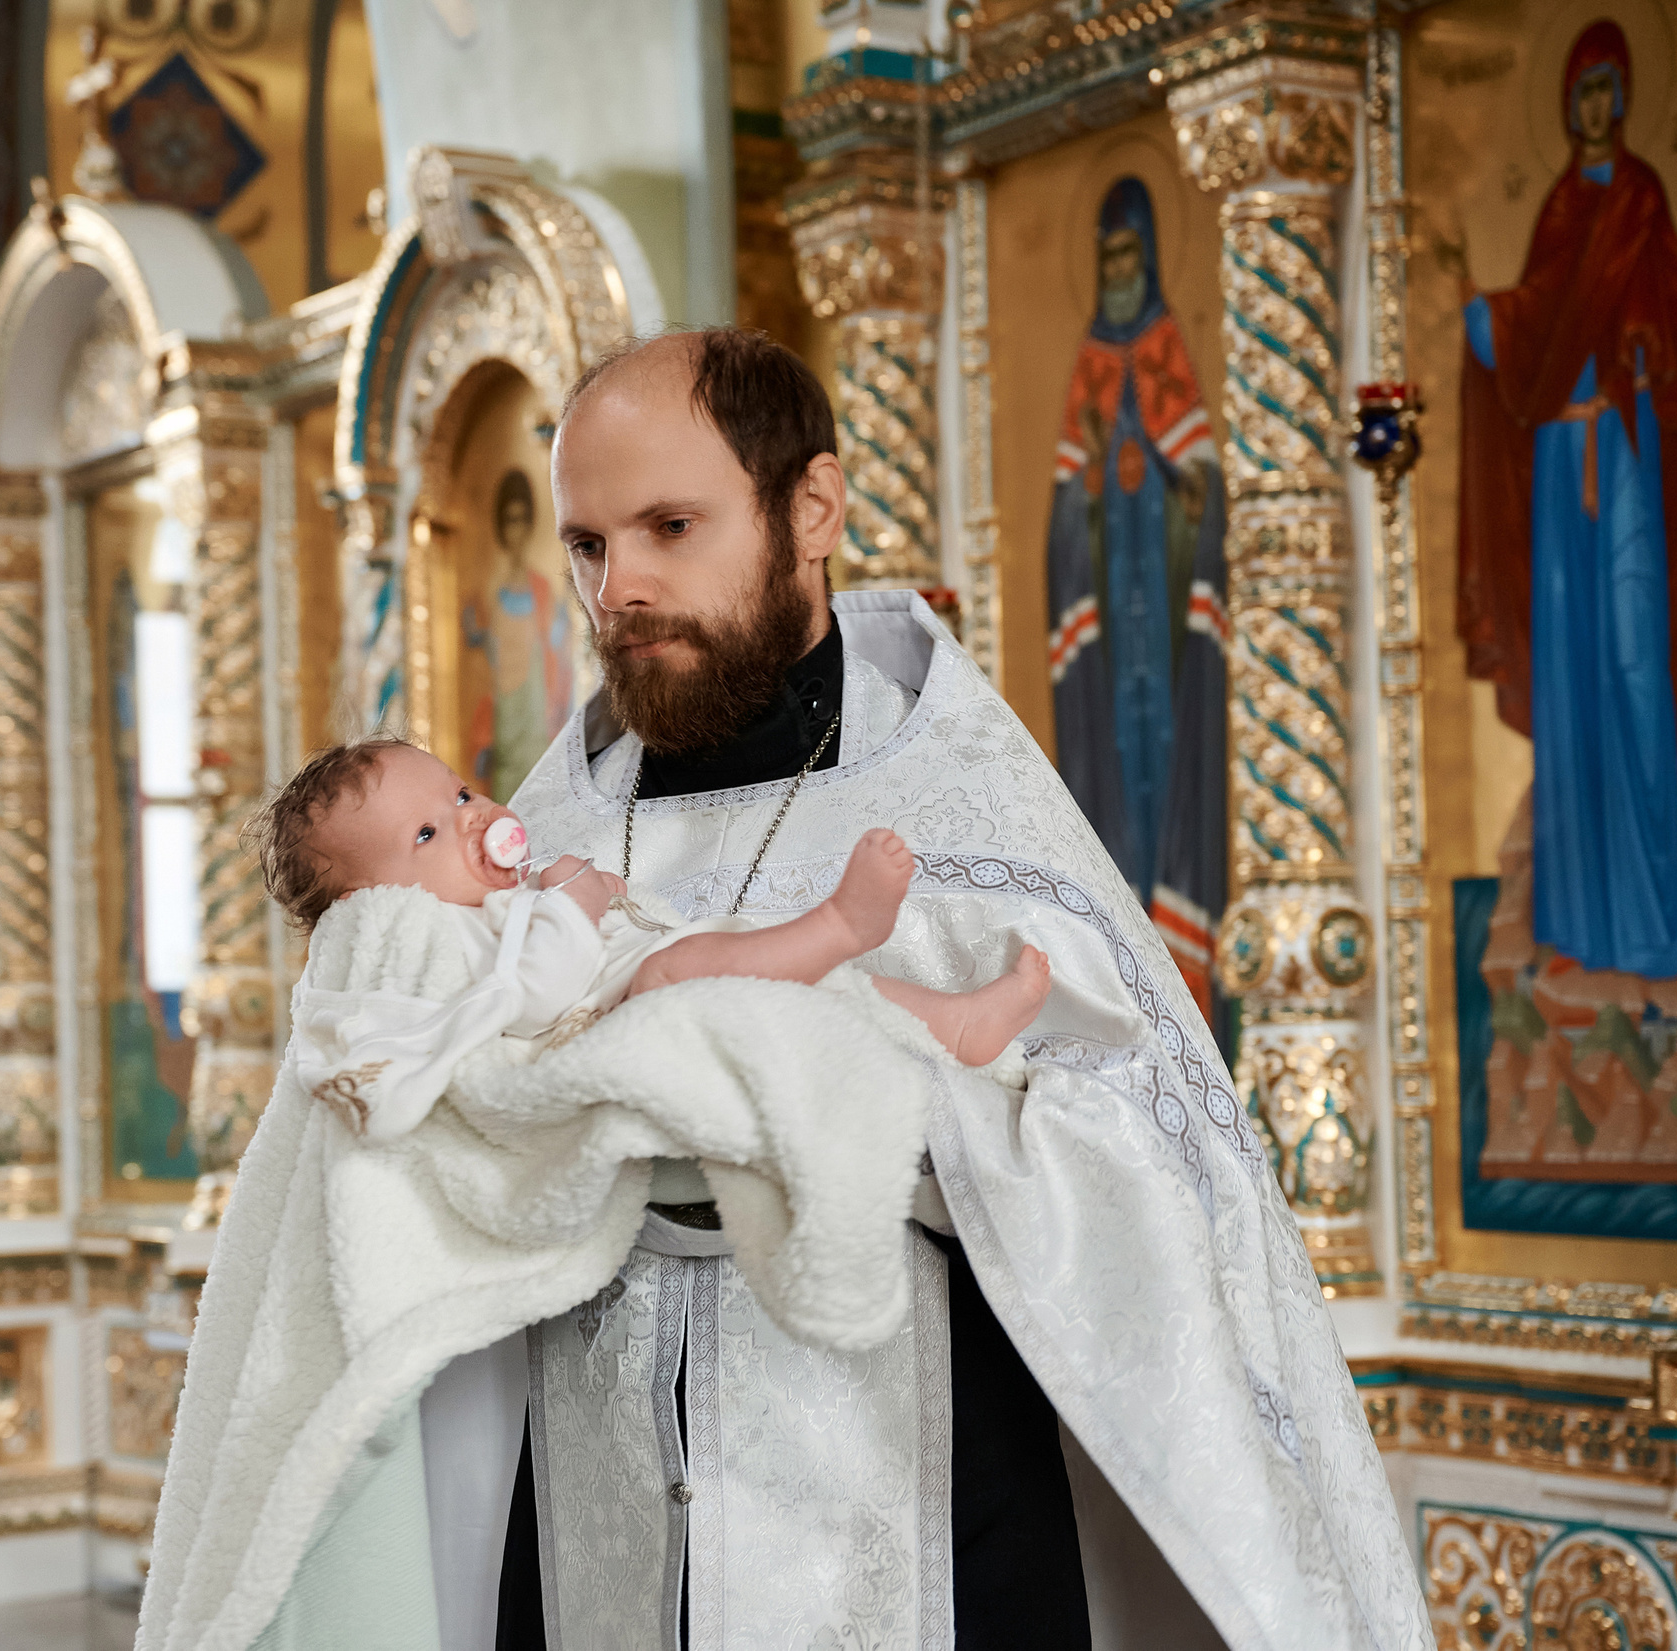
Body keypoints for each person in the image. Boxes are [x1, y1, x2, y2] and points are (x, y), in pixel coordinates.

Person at [137, 330, 1428, 1651]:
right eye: (587, 544)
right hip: (600, 1520)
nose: (619, 586)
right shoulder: (545, 827)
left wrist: (863, 1107)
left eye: (670, 525)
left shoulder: (961, 810)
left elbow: (1142, 1167)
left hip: (919, 1511)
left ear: (811, 509)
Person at [244, 735, 1054, 1111]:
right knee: (690, 970)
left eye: (458, 793)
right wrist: (574, 904)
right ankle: (843, 920)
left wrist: (568, 887)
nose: (471, 817)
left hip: (646, 968)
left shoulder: (493, 898)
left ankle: (956, 1021)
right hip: (615, 1010)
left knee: (811, 985)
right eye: (426, 834)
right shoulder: (436, 938)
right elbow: (529, 995)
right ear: (377, 907)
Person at [1452, 19, 1677, 979]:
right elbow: (1539, 320)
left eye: (1607, 89)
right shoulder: (1559, 211)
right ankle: (1578, 924)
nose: (1595, 107)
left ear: (1626, 97)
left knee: (1635, 671)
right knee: (1569, 680)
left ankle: (1655, 919)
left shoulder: (1640, 198)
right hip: (1558, 469)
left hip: (1623, 463)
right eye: (1582, 90)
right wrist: (1484, 314)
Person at [1045, 177, 1229, 1015]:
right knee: (1118, 769)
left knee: (1170, 755)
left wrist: (1182, 494)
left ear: (1150, 256)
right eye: (1106, 255)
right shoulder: (1089, 358)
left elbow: (1201, 481)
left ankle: (1184, 957)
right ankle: (1126, 963)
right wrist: (1087, 490)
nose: (1117, 268)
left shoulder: (1163, 347)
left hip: (1164, 622)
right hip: (1115, 637)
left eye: (1128, 253)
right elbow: (1063, 513)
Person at [466, 470, 575, 799]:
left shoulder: (541, 587)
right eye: (510, 521)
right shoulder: (487, 593)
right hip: (503, 707)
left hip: (535, 704)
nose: (517, 530)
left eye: (523, 520)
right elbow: (480, 660)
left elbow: (559, 646)